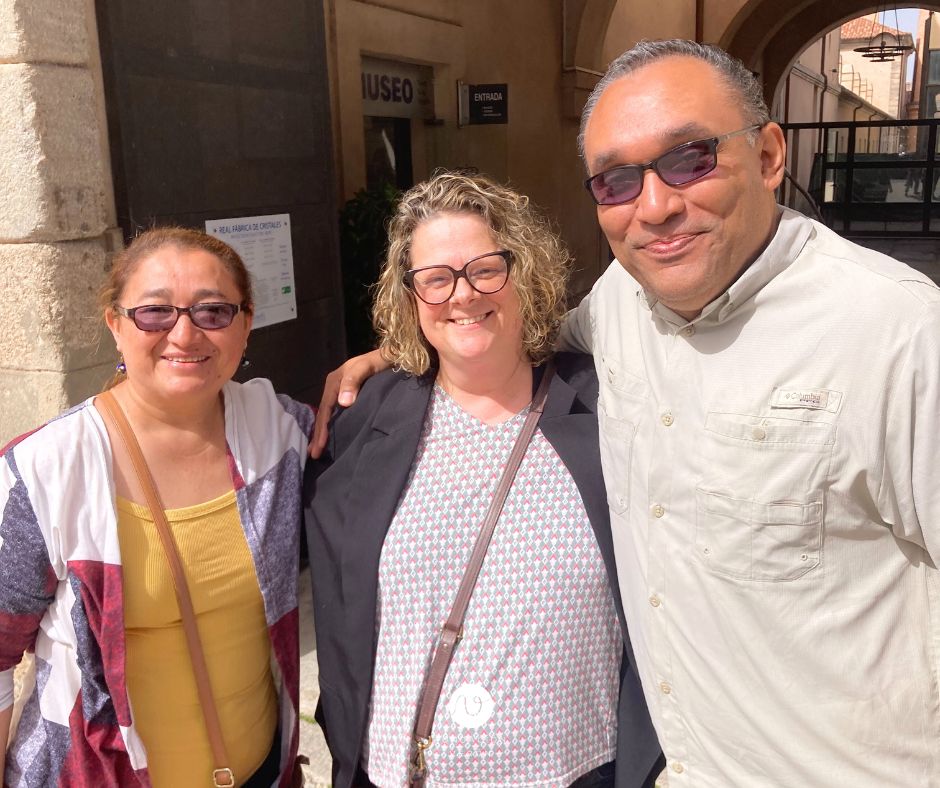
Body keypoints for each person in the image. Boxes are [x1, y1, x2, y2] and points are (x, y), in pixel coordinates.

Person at [313, 40, 940, 787]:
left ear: (770, 155)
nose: (656, 205)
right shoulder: (621, 304)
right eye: (617, 179)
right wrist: (394, 355)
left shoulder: (900, 333)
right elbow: (497, 335)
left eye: (691, 159)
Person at [304, 170, 662, 788]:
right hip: (403, 773)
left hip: (574, 771)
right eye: (435, 279)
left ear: (525, 272)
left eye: (485, 269)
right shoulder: (362, 423)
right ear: (410, 296)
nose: (462, 294)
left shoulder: (607, 406)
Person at [0, 228, 313, 785]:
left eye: (213, 311)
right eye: (154, 313)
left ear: (245, 324)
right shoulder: (46, 469)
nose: (185, 333)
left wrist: (375, 360)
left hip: (263, 771)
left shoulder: (279, 431)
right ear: (116, 325)